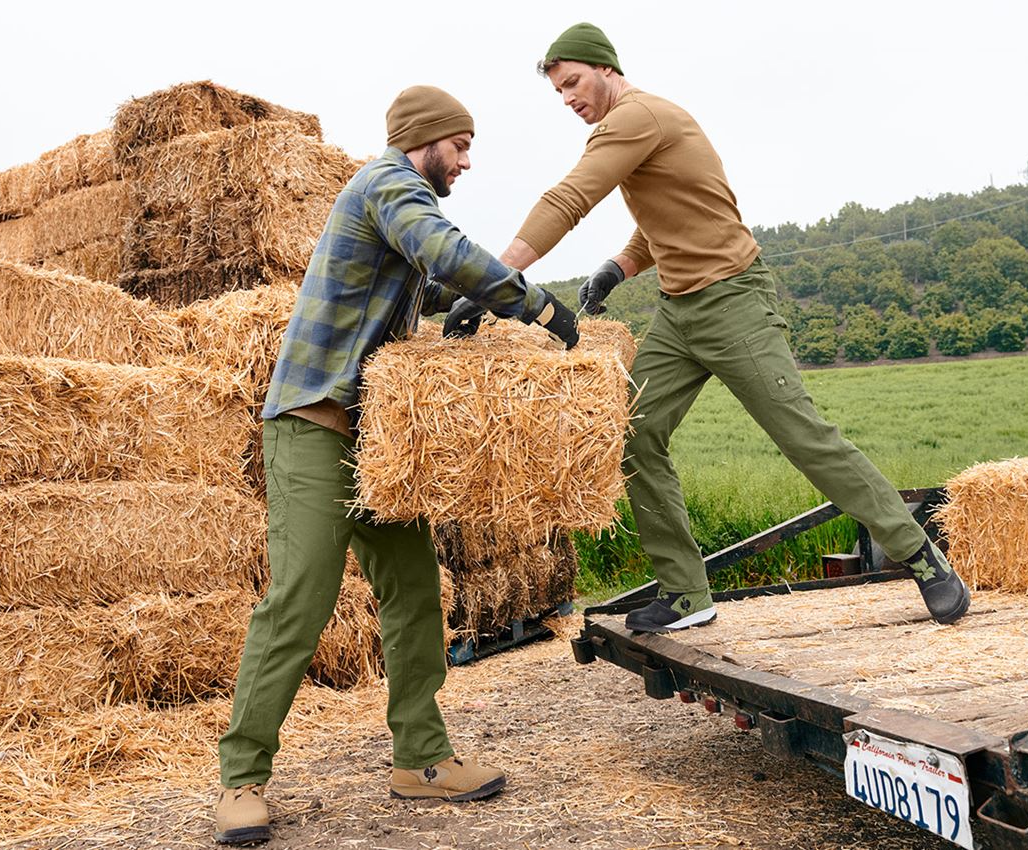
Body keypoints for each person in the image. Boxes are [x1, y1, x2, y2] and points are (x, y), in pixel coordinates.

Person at [447, 22, 969, 634]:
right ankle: (686, 593)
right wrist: (620, 266)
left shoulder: (637, 117)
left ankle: (921, 556)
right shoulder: (638, 125)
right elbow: (674, 213)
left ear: (607, 69)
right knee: (632, 434)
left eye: (574, 82)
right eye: (558, 90)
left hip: (733, 302)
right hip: (678, 313)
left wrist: (493, 280)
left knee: (804, 438)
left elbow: (569, 200)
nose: (567, 98)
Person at [214, 85, 579, 846]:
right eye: (461, 146)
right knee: (302, 598)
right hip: (311, 425)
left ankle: (422, 759)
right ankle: (241, 779)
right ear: (425, 140)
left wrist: (462, 301)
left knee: (414, 590)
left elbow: (426, 273)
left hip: (369, 439)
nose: (467, 162)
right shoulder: (389, 184)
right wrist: (532, 303)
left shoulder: (393, 200)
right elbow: (442, 248)